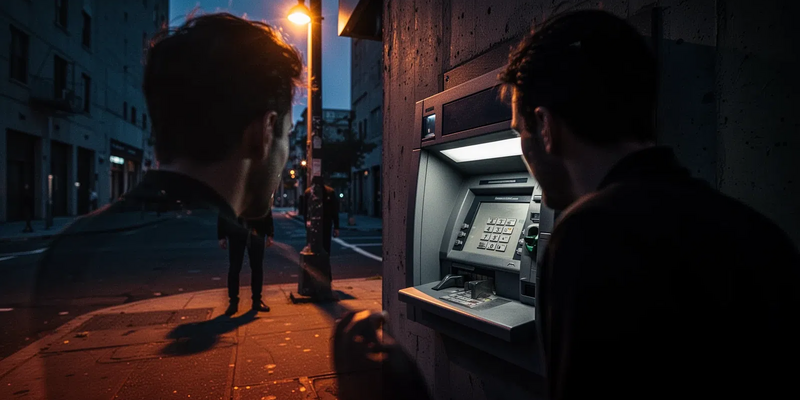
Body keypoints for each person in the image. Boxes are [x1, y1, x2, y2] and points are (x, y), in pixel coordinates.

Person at [333, 9, 800, 400]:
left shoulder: (589, 234)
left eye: (518, 133)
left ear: (546, 126)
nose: (524, 152)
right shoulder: (758, 232)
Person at [35, 12, 301, 324]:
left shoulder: (73, 245)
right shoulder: (242, 207)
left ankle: (248, 299)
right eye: (286, 132)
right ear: (264, 132)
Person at [218, 212, 274, 315]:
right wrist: (221, 235)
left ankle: (256, 300)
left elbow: (266, 207)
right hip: (237, 230)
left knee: (256, 267)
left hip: (256, 230)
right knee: (235, 267)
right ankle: (234, 301)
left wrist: (270, 233)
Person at [301, 180, 340, 253]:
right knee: (325, 245)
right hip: (326, 222)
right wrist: (336, 227)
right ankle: (324, 260)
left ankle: (317, 260)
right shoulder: (330, 191)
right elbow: (334, 210)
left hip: (315, 223)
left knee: (314, 245)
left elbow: (305, 211)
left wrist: (306, 224)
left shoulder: (308, 192)